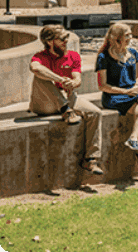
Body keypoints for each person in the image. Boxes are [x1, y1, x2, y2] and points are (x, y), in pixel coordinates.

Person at [29, 25, 106, 176]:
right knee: (40, 76)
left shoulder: (73, 56)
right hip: (44, 104)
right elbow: (36, 68)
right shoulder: (39, 57)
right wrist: (60, 79)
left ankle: (91, 160)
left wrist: (73, 83)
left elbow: (77, 78)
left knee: (95, 113)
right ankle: (66, 111)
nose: (66, 41)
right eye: (62, 38)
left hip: (67, 98)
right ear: (50, 42)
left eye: (67, 37)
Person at [96, 23, 138, 172]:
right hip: (114, 96)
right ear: (117, 38)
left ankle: (134, 140)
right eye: (127, 35)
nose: (130, 38)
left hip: (133, 93)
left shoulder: (133, 53)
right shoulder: (104, 57)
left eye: (130, 34)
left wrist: (136, 86)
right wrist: (125, 92)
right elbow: (102, 86)